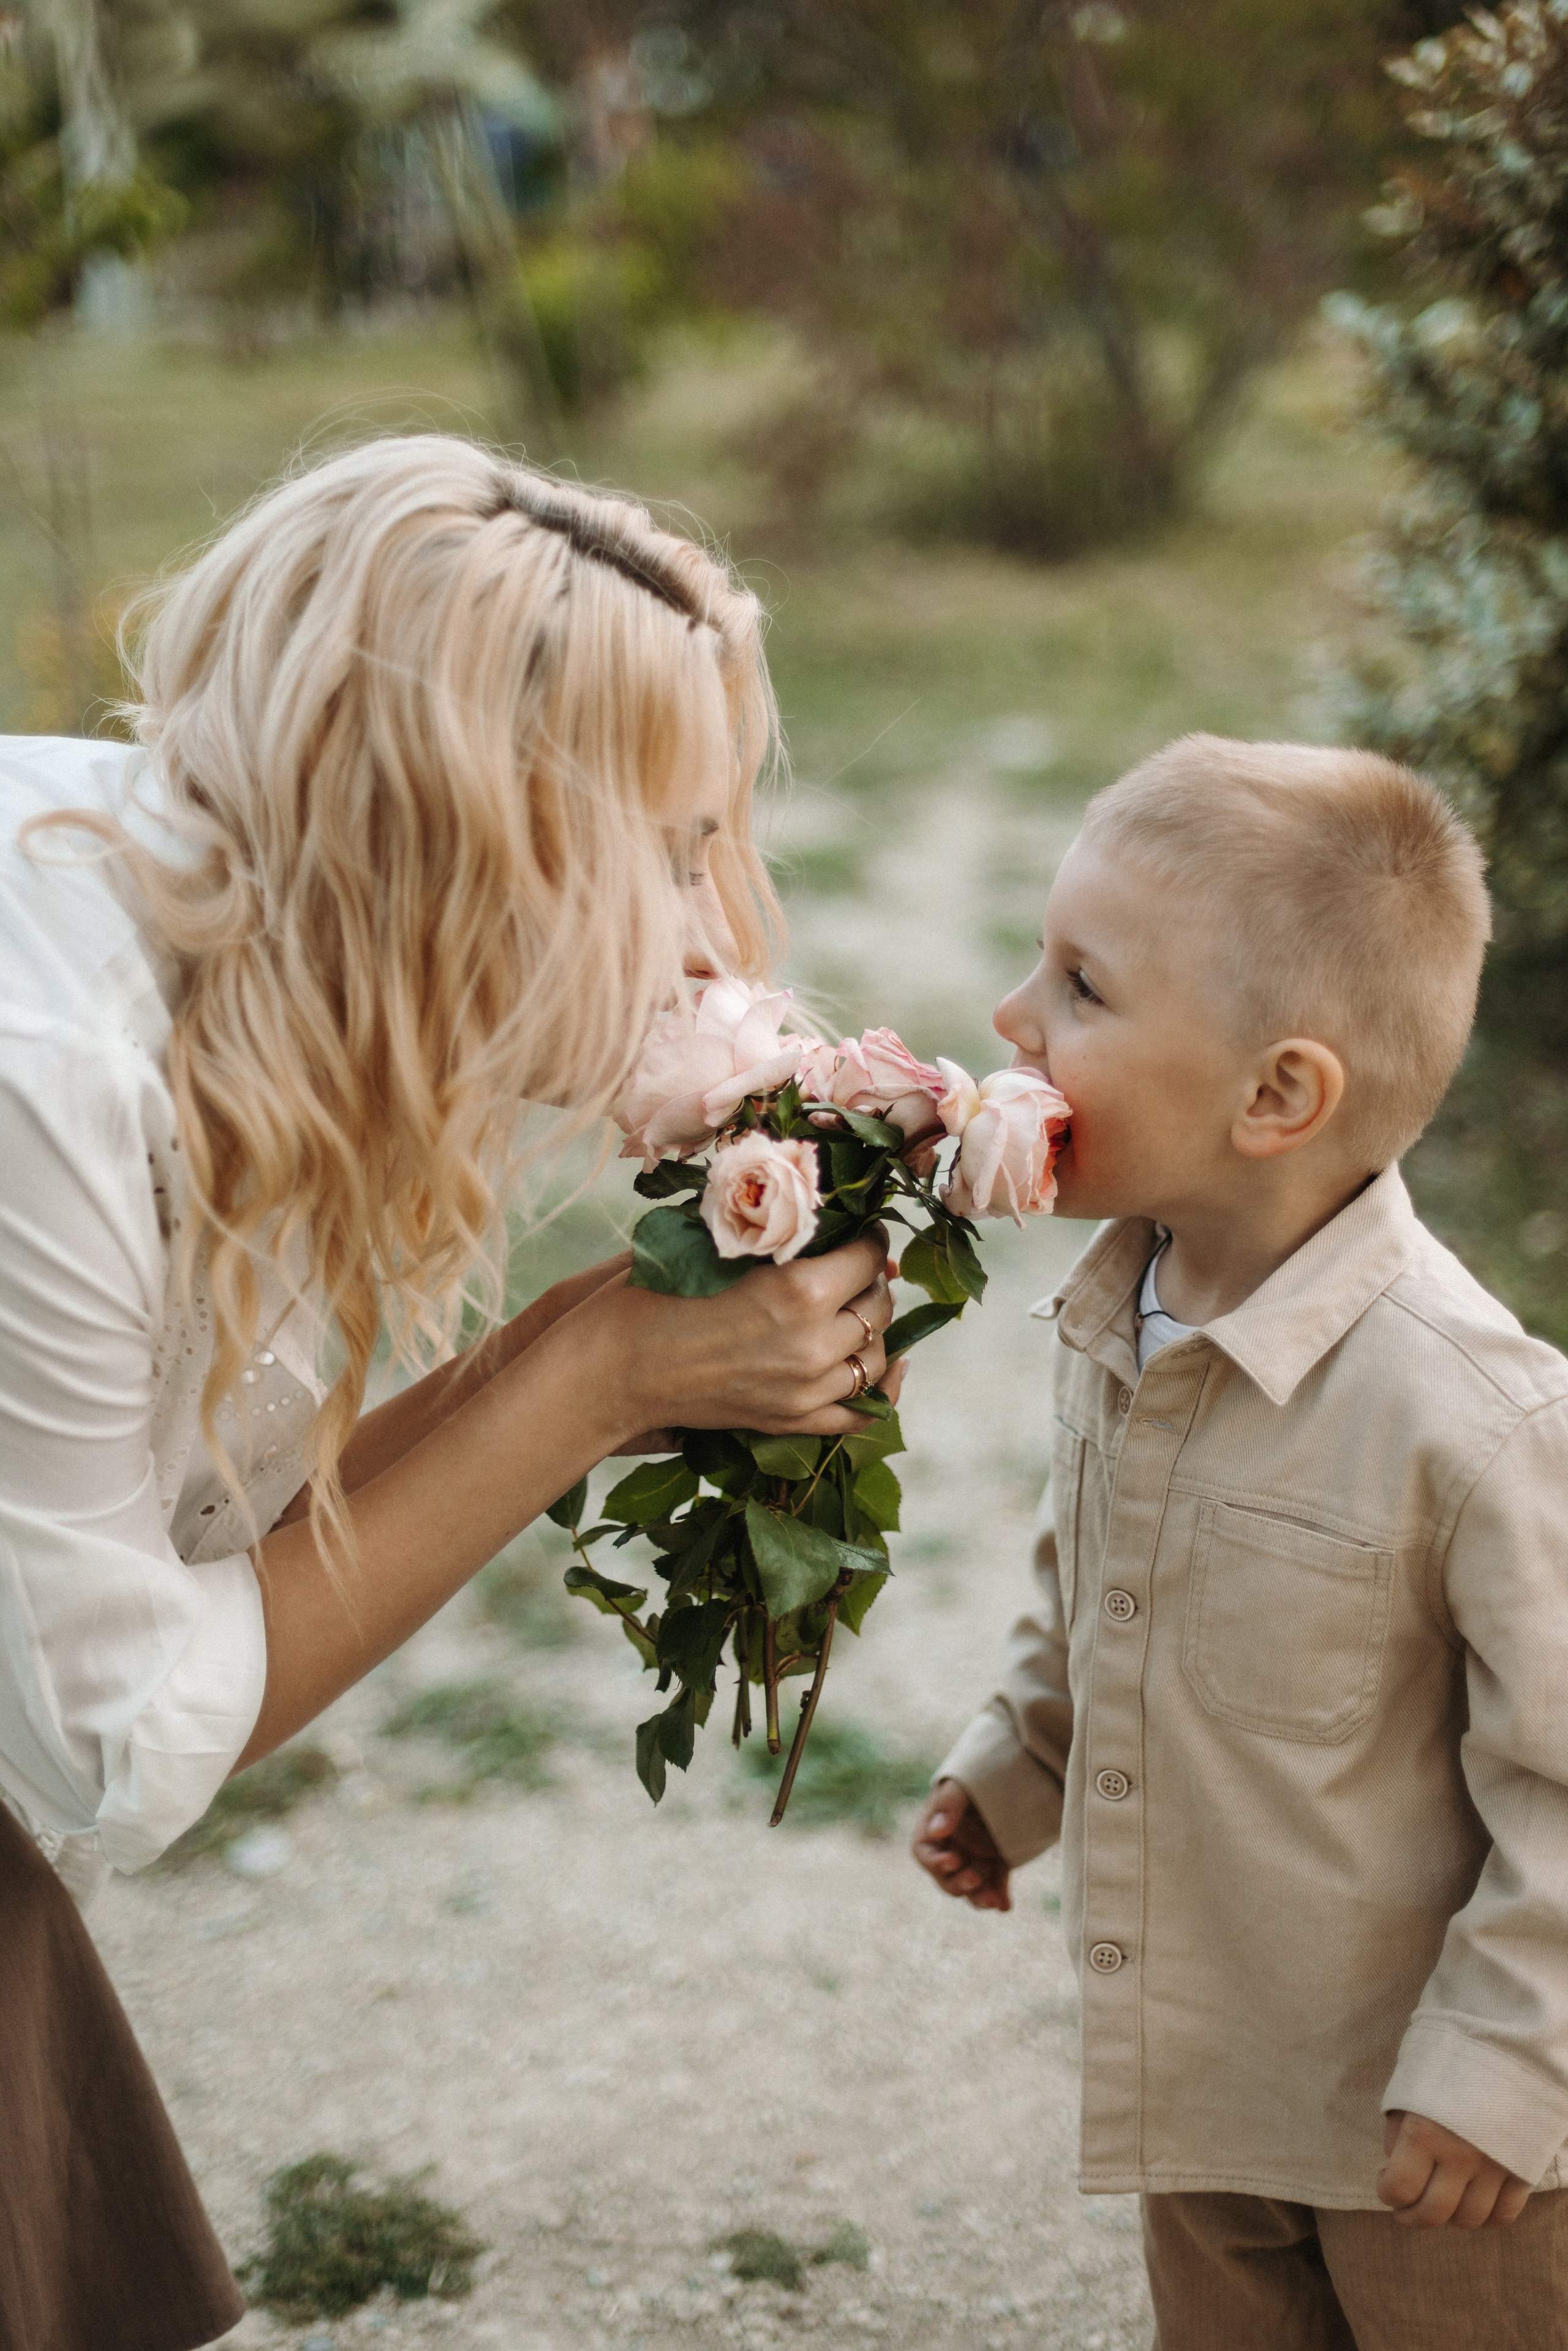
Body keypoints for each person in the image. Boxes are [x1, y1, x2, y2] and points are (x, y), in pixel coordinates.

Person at [0, 436, 897, 2351]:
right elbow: (103, 1738)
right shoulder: (43, 1074)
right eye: (669, 853)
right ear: (465, 838)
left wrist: (590, 1356)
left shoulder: (243, 967)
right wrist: (587, 1381)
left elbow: (187, 1570)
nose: (718, 942)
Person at [911, 734, 1568, 2351]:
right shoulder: (1127, 1307)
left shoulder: (1474, 1419)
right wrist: (1022, 1761)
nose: (1012, 1017)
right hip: (1201, 2080)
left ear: (1275, 1097)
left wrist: (1511, 2063)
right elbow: (1098, 1575)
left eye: (1081, 985)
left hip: (1436, 2145)